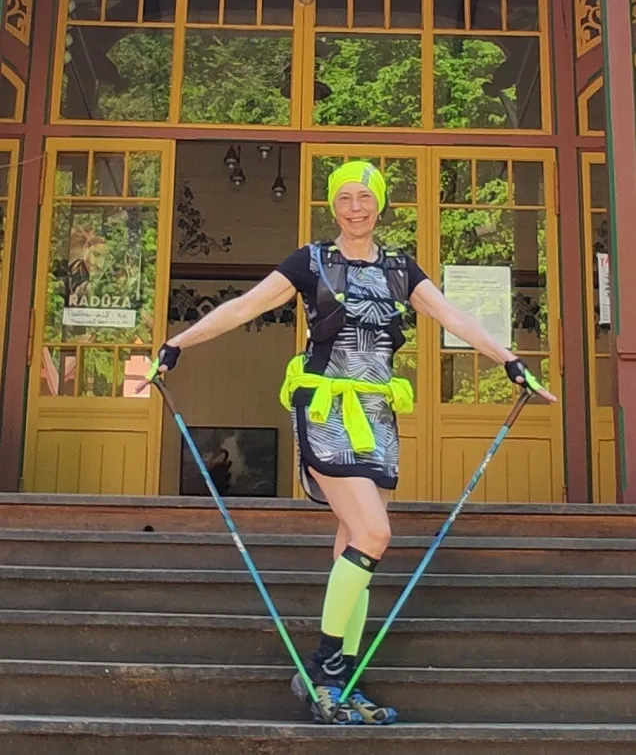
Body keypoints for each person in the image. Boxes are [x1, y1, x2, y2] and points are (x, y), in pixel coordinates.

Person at [154, 160, 556, 726]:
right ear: (333, 206)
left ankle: (340, 681)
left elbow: (453, 316)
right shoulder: (311, 261)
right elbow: (246, 306)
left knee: (354, 546)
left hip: (377, 415)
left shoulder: (399, 268)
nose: (355, 207)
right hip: (325, 409)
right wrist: (177, 343)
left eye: (364, 197)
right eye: (344, 198)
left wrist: (511, 362)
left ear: (380, 204)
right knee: (375, 532)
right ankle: (322, 670)